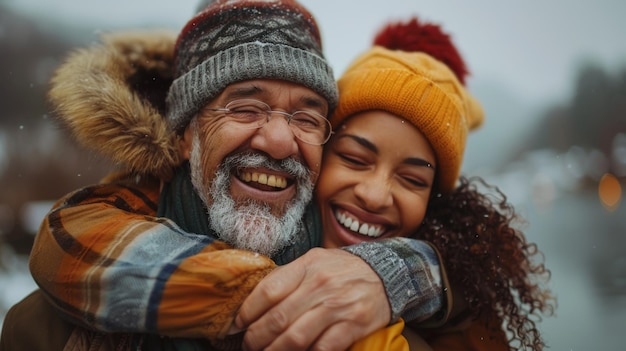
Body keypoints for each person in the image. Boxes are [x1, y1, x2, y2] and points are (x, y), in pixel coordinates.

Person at [0, 1, 451, 351]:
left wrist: (401, 275)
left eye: (307, 118)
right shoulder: (47, 329)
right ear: (185, 136)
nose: (279, 141)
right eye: (245, 108)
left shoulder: (374, 325)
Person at [287, 17, 554, 350]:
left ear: (435, 199)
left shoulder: (463, 321)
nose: (374, 195)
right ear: (321, 153)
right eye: (355, 159)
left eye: (412, 179)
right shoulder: (246, 232)